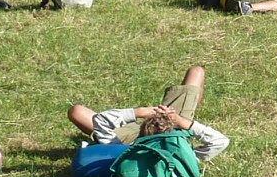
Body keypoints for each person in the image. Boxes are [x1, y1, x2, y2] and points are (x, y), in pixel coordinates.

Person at [68, 65, 230, 164]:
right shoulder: (181, 154)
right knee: (196, 71)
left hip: (133, 139)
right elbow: (220, 142)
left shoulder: (126, 150)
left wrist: (139, 112)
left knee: (76, 112)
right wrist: (181, 122)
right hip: (176, 128)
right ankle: (188, 110)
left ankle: (179, 115)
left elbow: (100, 120)